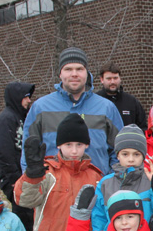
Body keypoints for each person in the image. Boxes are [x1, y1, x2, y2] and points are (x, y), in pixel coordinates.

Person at [22, 47, 124, 175]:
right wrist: (32, 179)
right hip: (54, 184)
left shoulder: (107, 108)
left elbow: (120, 150)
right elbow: (28, 153)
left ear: (87, 73)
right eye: (68, 69)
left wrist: (111, 180)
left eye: (79, 69)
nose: (74, 74)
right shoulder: (40, 108)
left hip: (98, 184)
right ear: (60, 74)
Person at [91, 124, 153, 231]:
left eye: (136, 154)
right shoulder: (105, 183)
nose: (131, 159)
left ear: (143, 156)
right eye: (125, 154)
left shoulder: (150, 181)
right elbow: (98, 217)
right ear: (117, 155)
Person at [0, 81, 36, 231]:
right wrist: (14, 181)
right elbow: (5, 153)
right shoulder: (5, 120)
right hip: (15, 180)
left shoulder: (23, 118)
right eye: (26, 97)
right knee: (24, 220)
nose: (29, 100)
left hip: (26, 178)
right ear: (17, 97)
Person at [97, 64, 147, 131]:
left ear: (120, 78)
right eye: (109, 79)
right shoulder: (95, 101)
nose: (112, 82)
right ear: (102, 80)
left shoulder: (131, 101)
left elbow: (142, 127)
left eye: (115, 78)